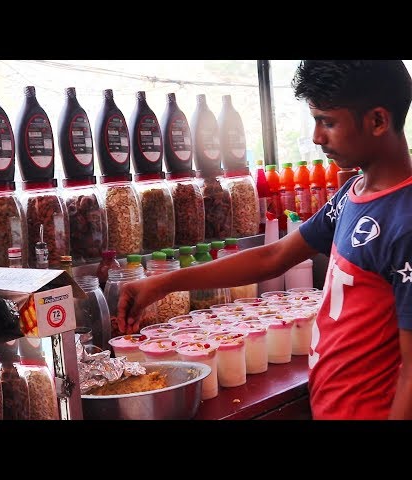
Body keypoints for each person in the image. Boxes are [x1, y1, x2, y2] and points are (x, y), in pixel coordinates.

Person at [117, 60, 412, 420]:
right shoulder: (351, 195)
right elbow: (271, 257)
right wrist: (162, 284)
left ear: (378, 121)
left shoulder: (405, 220)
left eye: (328, 122)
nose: (318, 137)